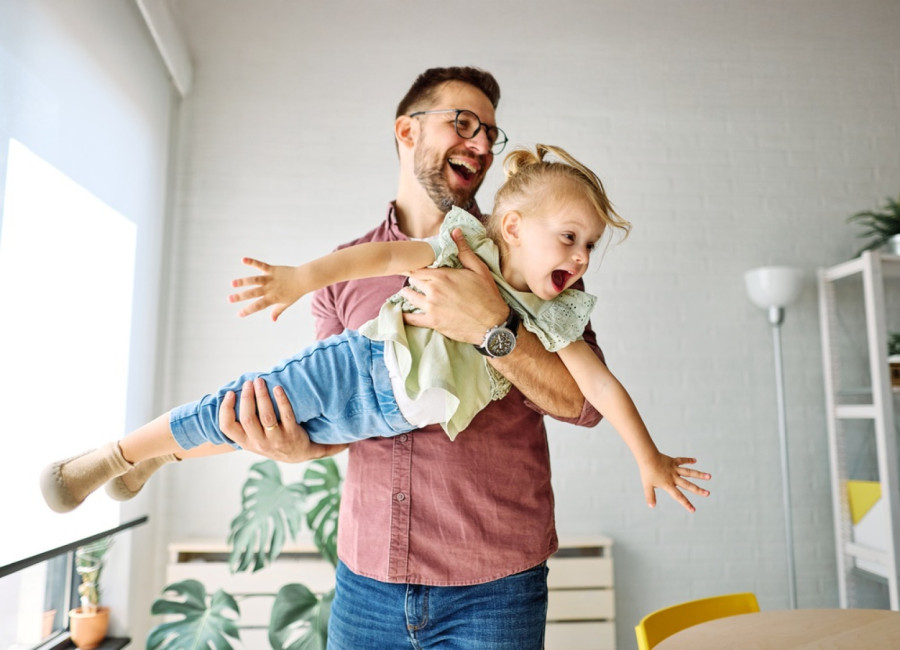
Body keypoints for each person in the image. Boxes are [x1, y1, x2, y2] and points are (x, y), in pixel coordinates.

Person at [39, 143, 708, 518]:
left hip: (383, 420)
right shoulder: (457, 244)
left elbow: (599, 391)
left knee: (255, 427)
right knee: (241, 409)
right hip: (357, 370)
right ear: (511, 228)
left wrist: (645, 455)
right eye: (570, 238)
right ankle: (117, 456)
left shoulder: (552, 315)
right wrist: (303, 276)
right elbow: (384, 257)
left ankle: (157, 455)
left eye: (590, 246)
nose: (582, 258)